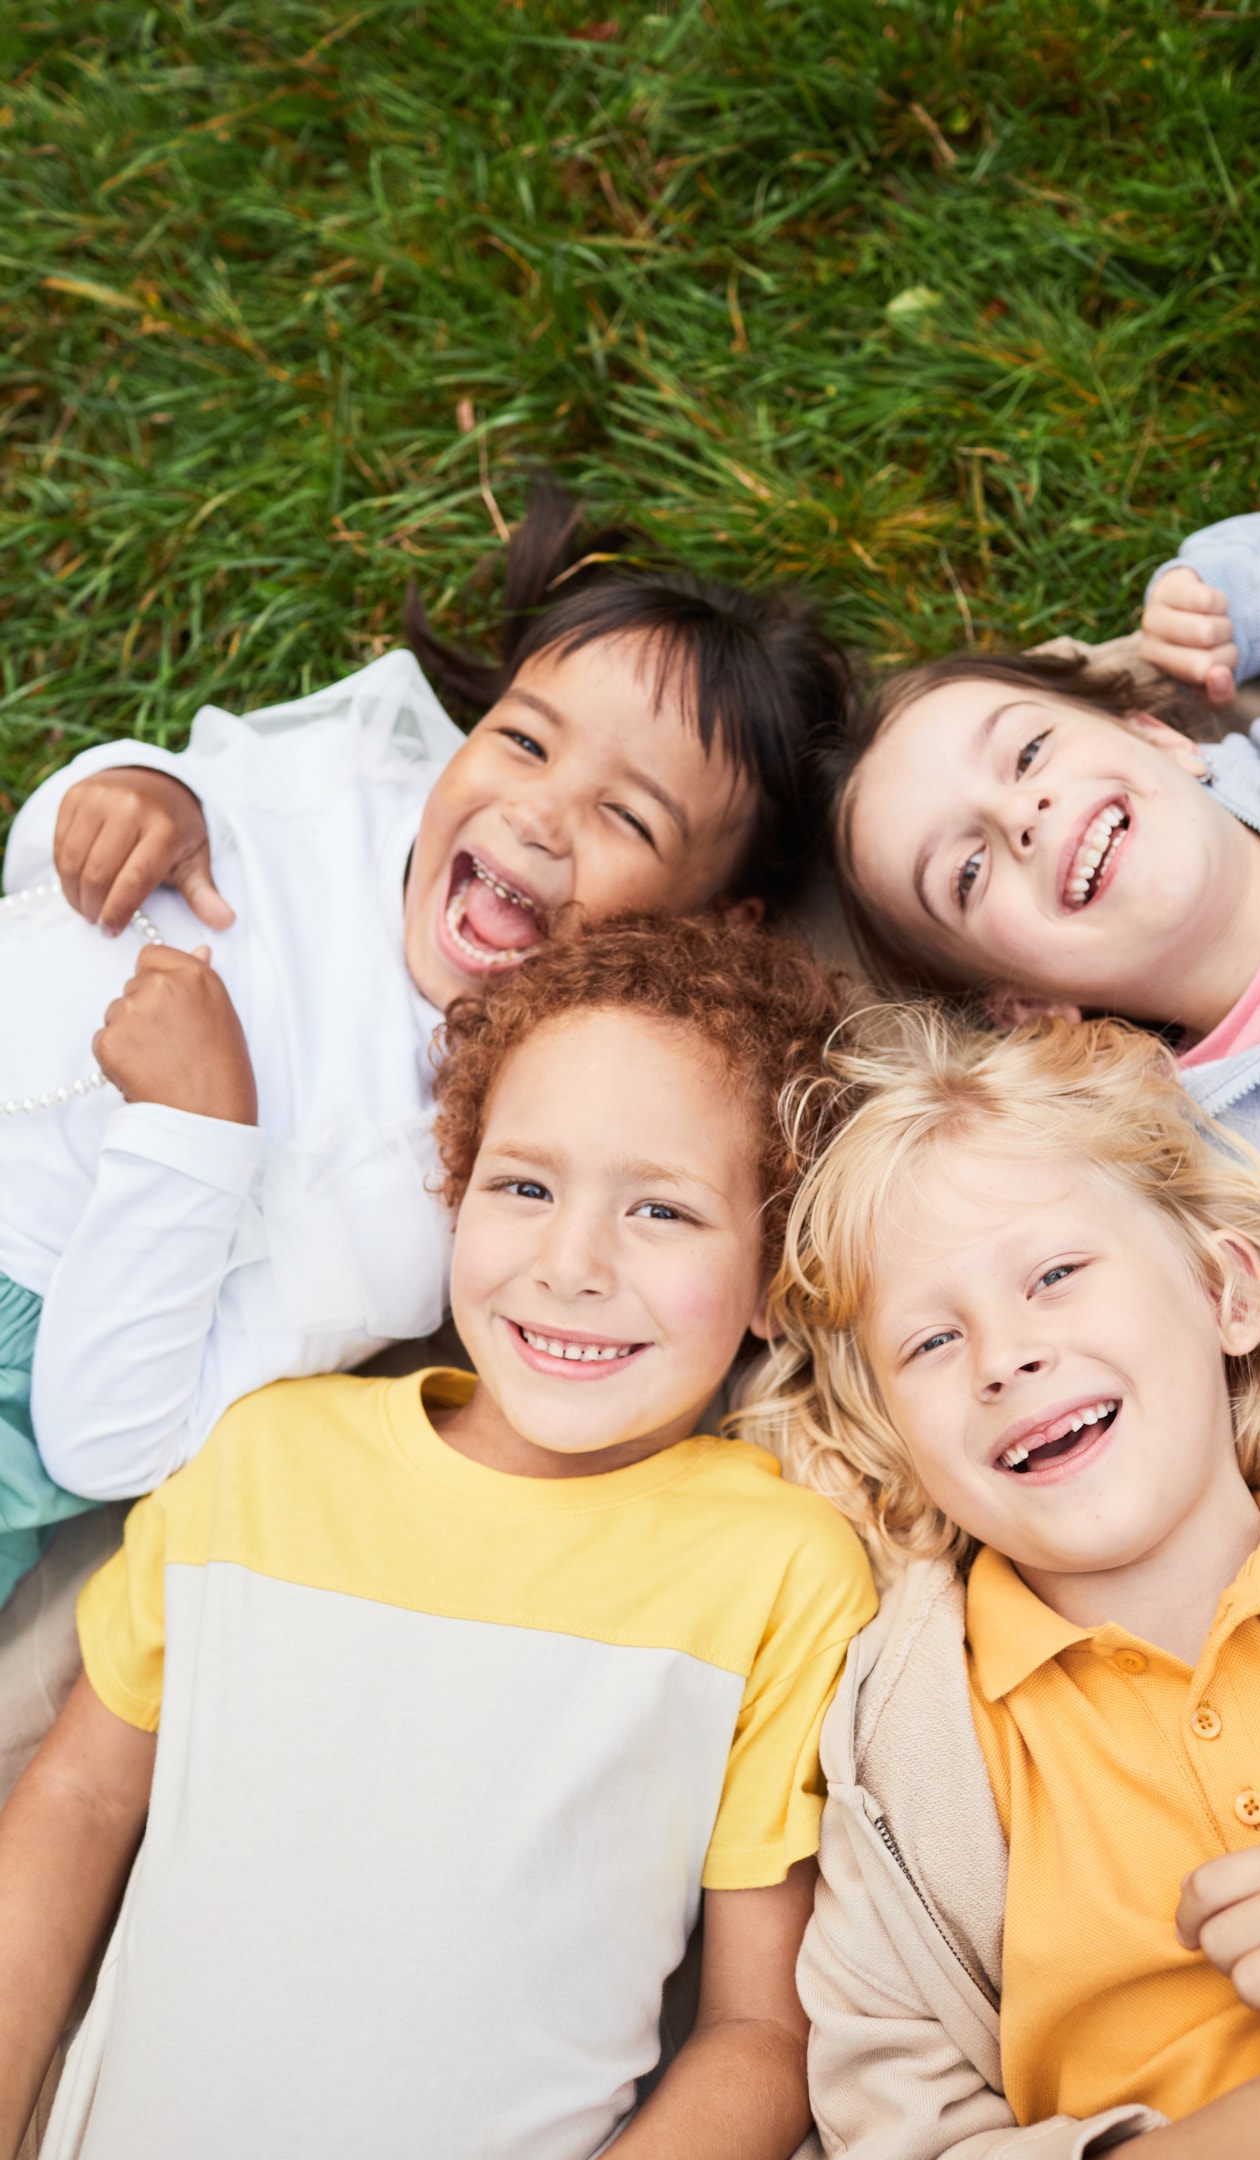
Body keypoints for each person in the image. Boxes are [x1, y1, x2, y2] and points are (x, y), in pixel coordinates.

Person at [0, 914, 877, 2160]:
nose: (572, 1263)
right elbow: (79, 1797)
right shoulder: (267, 1458)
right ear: (455, 1192)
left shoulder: (779, 1569)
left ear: (778, 1265)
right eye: (524, 1187)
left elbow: (757, 2033)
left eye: (664, 1213)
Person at [0, 480, 851, 1605]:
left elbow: (106, 1442)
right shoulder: (350, 779)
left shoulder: (439, 1178)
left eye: (628, 816)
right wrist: (132, 788)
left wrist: (193, 1134)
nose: (540, 814)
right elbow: (50, 876)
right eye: (526, 741)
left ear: (707, 925)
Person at [735, 1004, 1260, 2160]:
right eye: (931, 1343)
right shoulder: (906, 1769)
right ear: (895, 1441)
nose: (1006, 1355)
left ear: (1229, 1295)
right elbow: (893, 2131)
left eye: (1056, 1274)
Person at [831, 487, 1260, 1433]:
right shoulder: (1247, 1177)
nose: (1020, 815)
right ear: (1026, 1005)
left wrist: (1231, 590)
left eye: (1030, 751)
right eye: (967, 871)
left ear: (1158, 734)